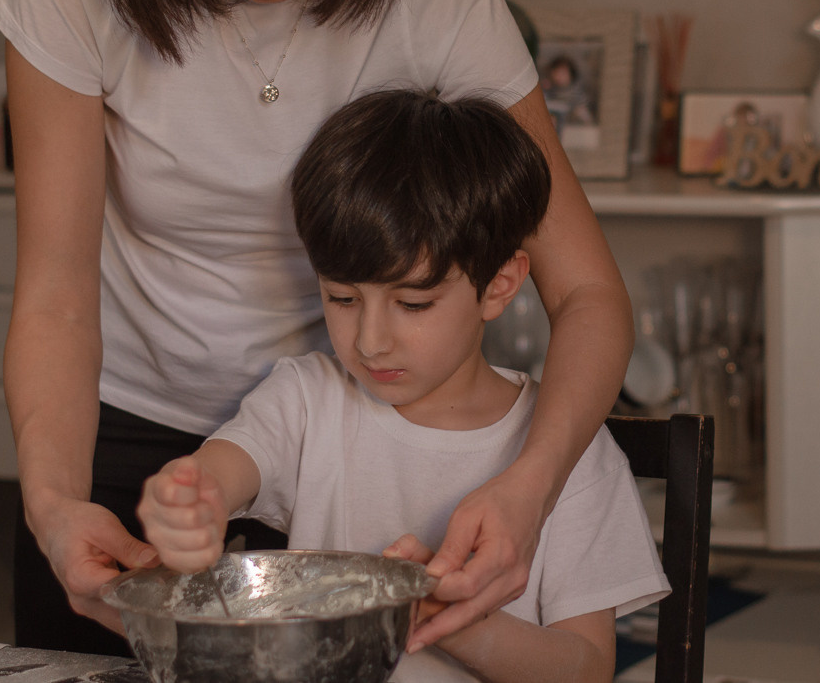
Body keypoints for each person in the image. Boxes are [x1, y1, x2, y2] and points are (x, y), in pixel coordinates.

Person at [0, 0, 633, 656]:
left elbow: (587, 292)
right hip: (132, 448)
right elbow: (56, 298)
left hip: (353, 441)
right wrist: (55, 503)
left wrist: (532, 483)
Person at [136, 90, 668, 682]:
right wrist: (192, 502)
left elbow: (587, 669)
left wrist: (449, 618)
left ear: (499, 285)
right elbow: (221, 471)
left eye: (413, 304)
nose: (370, 342)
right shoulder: (307, 400)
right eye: (342, 298)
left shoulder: (571, 449)